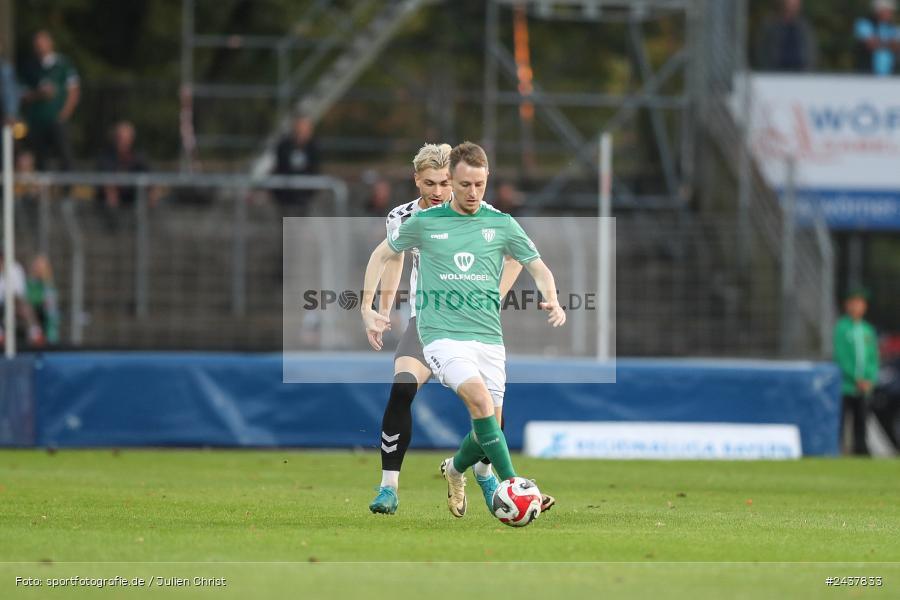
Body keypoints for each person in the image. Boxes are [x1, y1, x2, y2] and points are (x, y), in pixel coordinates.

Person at [361, 141, 566, 520]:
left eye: (444, 183)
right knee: (405, 390)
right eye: (431, 184)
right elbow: (390, 261)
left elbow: (523, 262)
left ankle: (469, 472)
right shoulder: (408, 219)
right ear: (418, 181)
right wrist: (376, 310)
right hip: (428, 324)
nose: (439, 191)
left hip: (482, 330)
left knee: (493, 421)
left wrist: (494, 298)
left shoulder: (494, 220)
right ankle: (391, 486)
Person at [19, 30, 80, 170]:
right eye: (37, 44)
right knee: (40, 158)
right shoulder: (29, 66)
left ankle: (67, 187)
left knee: (65, 154)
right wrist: (39, 94)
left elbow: (74, 91)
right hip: (37, 120)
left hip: (57, 119)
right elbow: (22, 94)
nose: (39, 47)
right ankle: (42, 190)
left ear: (50, 43)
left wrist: (64, 114)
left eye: (42, 43)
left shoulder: (63, 64)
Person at [833, 287, 879, 456]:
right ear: (847, 305)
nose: (857, 307)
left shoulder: (867, 330)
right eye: (854, 303)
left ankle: (860, 451)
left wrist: (870, 378)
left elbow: (873, 358)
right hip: (847, 385)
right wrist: (856, 377)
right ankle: (837, 449)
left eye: (860, 303)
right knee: (842, 419)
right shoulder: (842, 328)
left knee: (862, 420)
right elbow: (841, 356)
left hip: (864, 386)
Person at [96, 120, 151, 210]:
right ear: (114, 138)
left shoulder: (139, 157)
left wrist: (151, 195)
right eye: (119, 138)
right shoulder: (105, 157)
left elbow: (150, 177)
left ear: (131, 139)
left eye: (126, 139)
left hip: (133, 200)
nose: (122, 142)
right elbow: (106, 182)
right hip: (111, 206)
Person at [272, 115, 320, 211]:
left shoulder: (313, 147)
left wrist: (309, 193)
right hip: (285, 196)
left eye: (305, 128)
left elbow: (315, 169)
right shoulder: (284, 146)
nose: (301, 132)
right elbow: (279, 167)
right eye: (299, 128)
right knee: (285, 223)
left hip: (305, 197)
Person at [755, 0, 818, 72]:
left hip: (800, 75)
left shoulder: (804, 27)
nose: (792, 7)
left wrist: (807, 71)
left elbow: (811, 51)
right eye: (790, 3)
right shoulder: (770, 25)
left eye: (795, 4)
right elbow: (762, 51)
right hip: (774, 74)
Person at [0, 252, 45, 348]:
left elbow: (19, 293)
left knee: (22, 304)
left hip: (13, 303)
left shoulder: (15, 269)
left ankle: (35, 333)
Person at [854, 0, 900, 76]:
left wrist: (880, 43)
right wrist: (890, 44)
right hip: (866, 74)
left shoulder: (893, 27)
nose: (890, 13)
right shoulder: (864, 23)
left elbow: (897, 46)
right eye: (887, 10)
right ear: (878, 10)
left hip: (889, 75)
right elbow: (871, 44)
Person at [26, 254, 60, 345]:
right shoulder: (28, 285)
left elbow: (52, 312)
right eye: (36, 266)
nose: (38, 270)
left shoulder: (49, 287)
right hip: (32, 328)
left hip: (47, 332)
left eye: (41, 267)